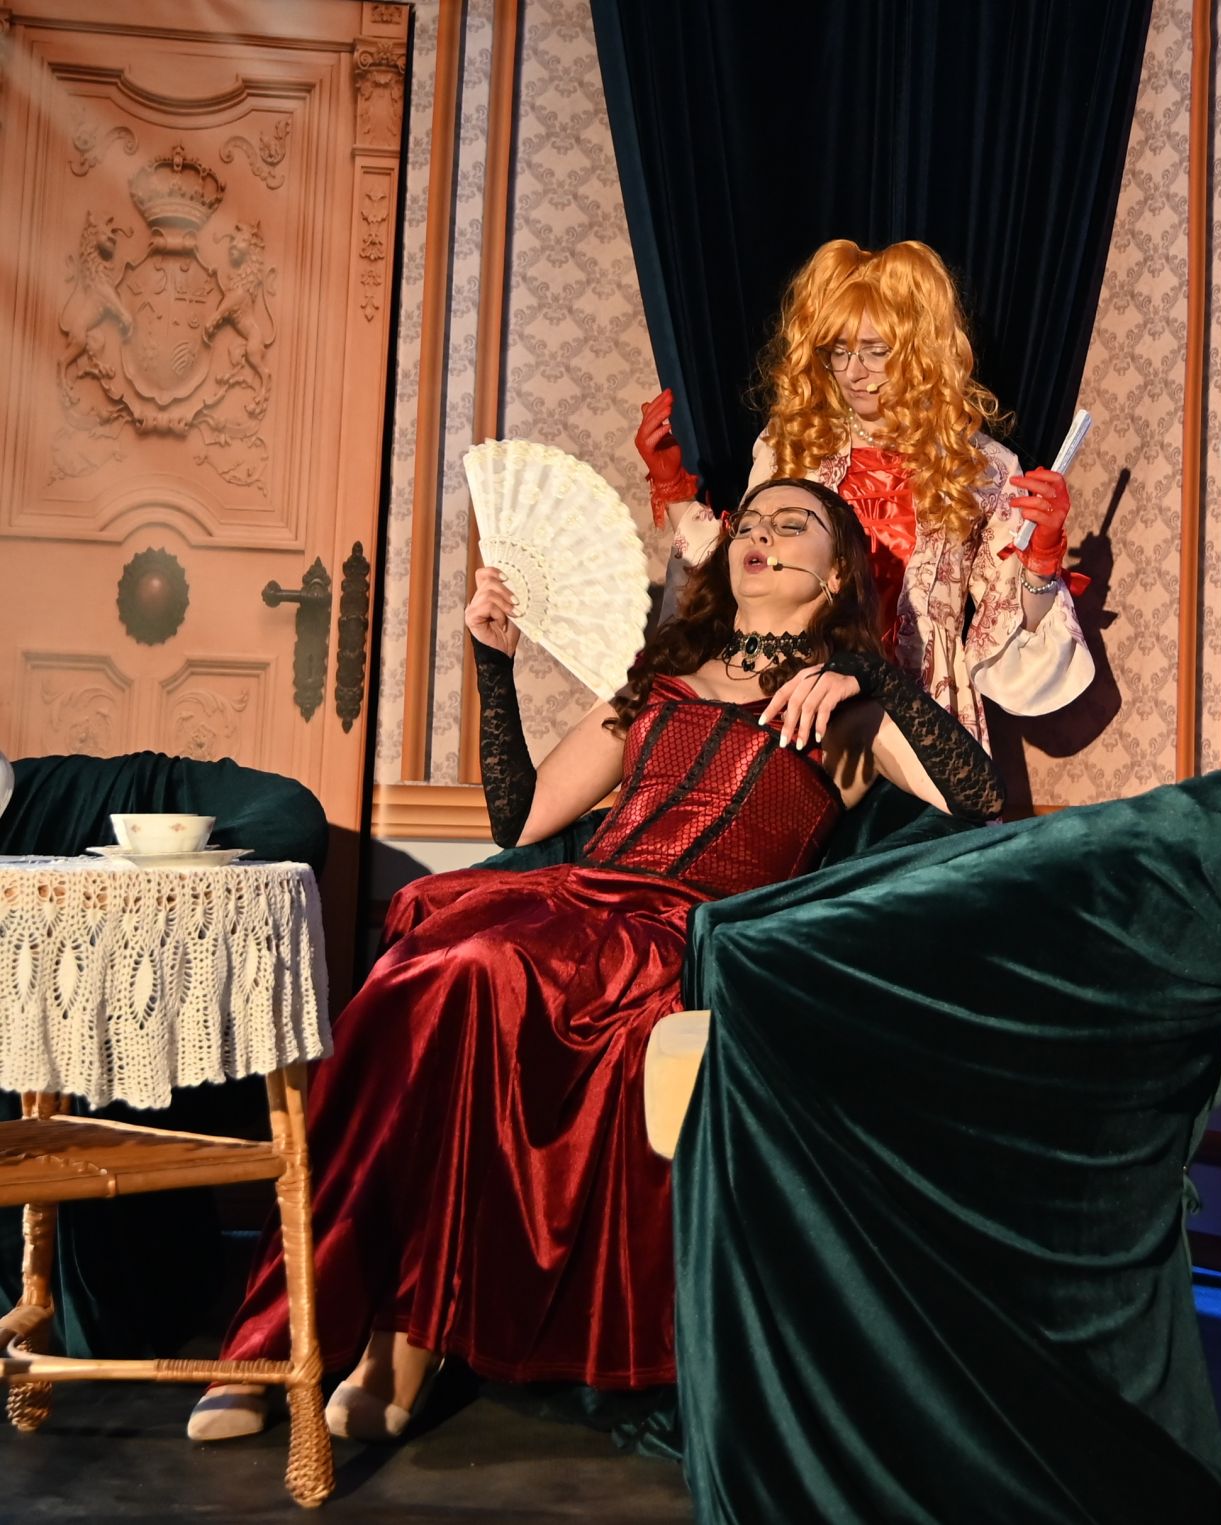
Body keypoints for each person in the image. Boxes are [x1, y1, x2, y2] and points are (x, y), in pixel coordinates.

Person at [188, 478, 1003, 1442]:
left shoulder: (848, 710)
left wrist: (872, 678)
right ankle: (292, 1335)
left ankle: (400, 1335)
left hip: (678, 937)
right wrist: (493, 664)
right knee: (409, 984)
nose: (761, 535)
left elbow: (981, 802)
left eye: (796, 525)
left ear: (836, 576)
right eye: (749, 522)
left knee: (471, 969)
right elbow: (523, 816)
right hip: (570, 905)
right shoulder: (660, 680)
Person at [638, 238, 1091, 751]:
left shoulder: (979, 467)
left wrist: (1041, 559)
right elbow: (737, 570)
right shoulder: (793, 447)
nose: (855, 372)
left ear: (920, 351)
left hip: (921, 708)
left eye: (876, 351)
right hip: (796, 700)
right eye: (839, 351)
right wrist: (672, 486)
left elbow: (1009, 633)